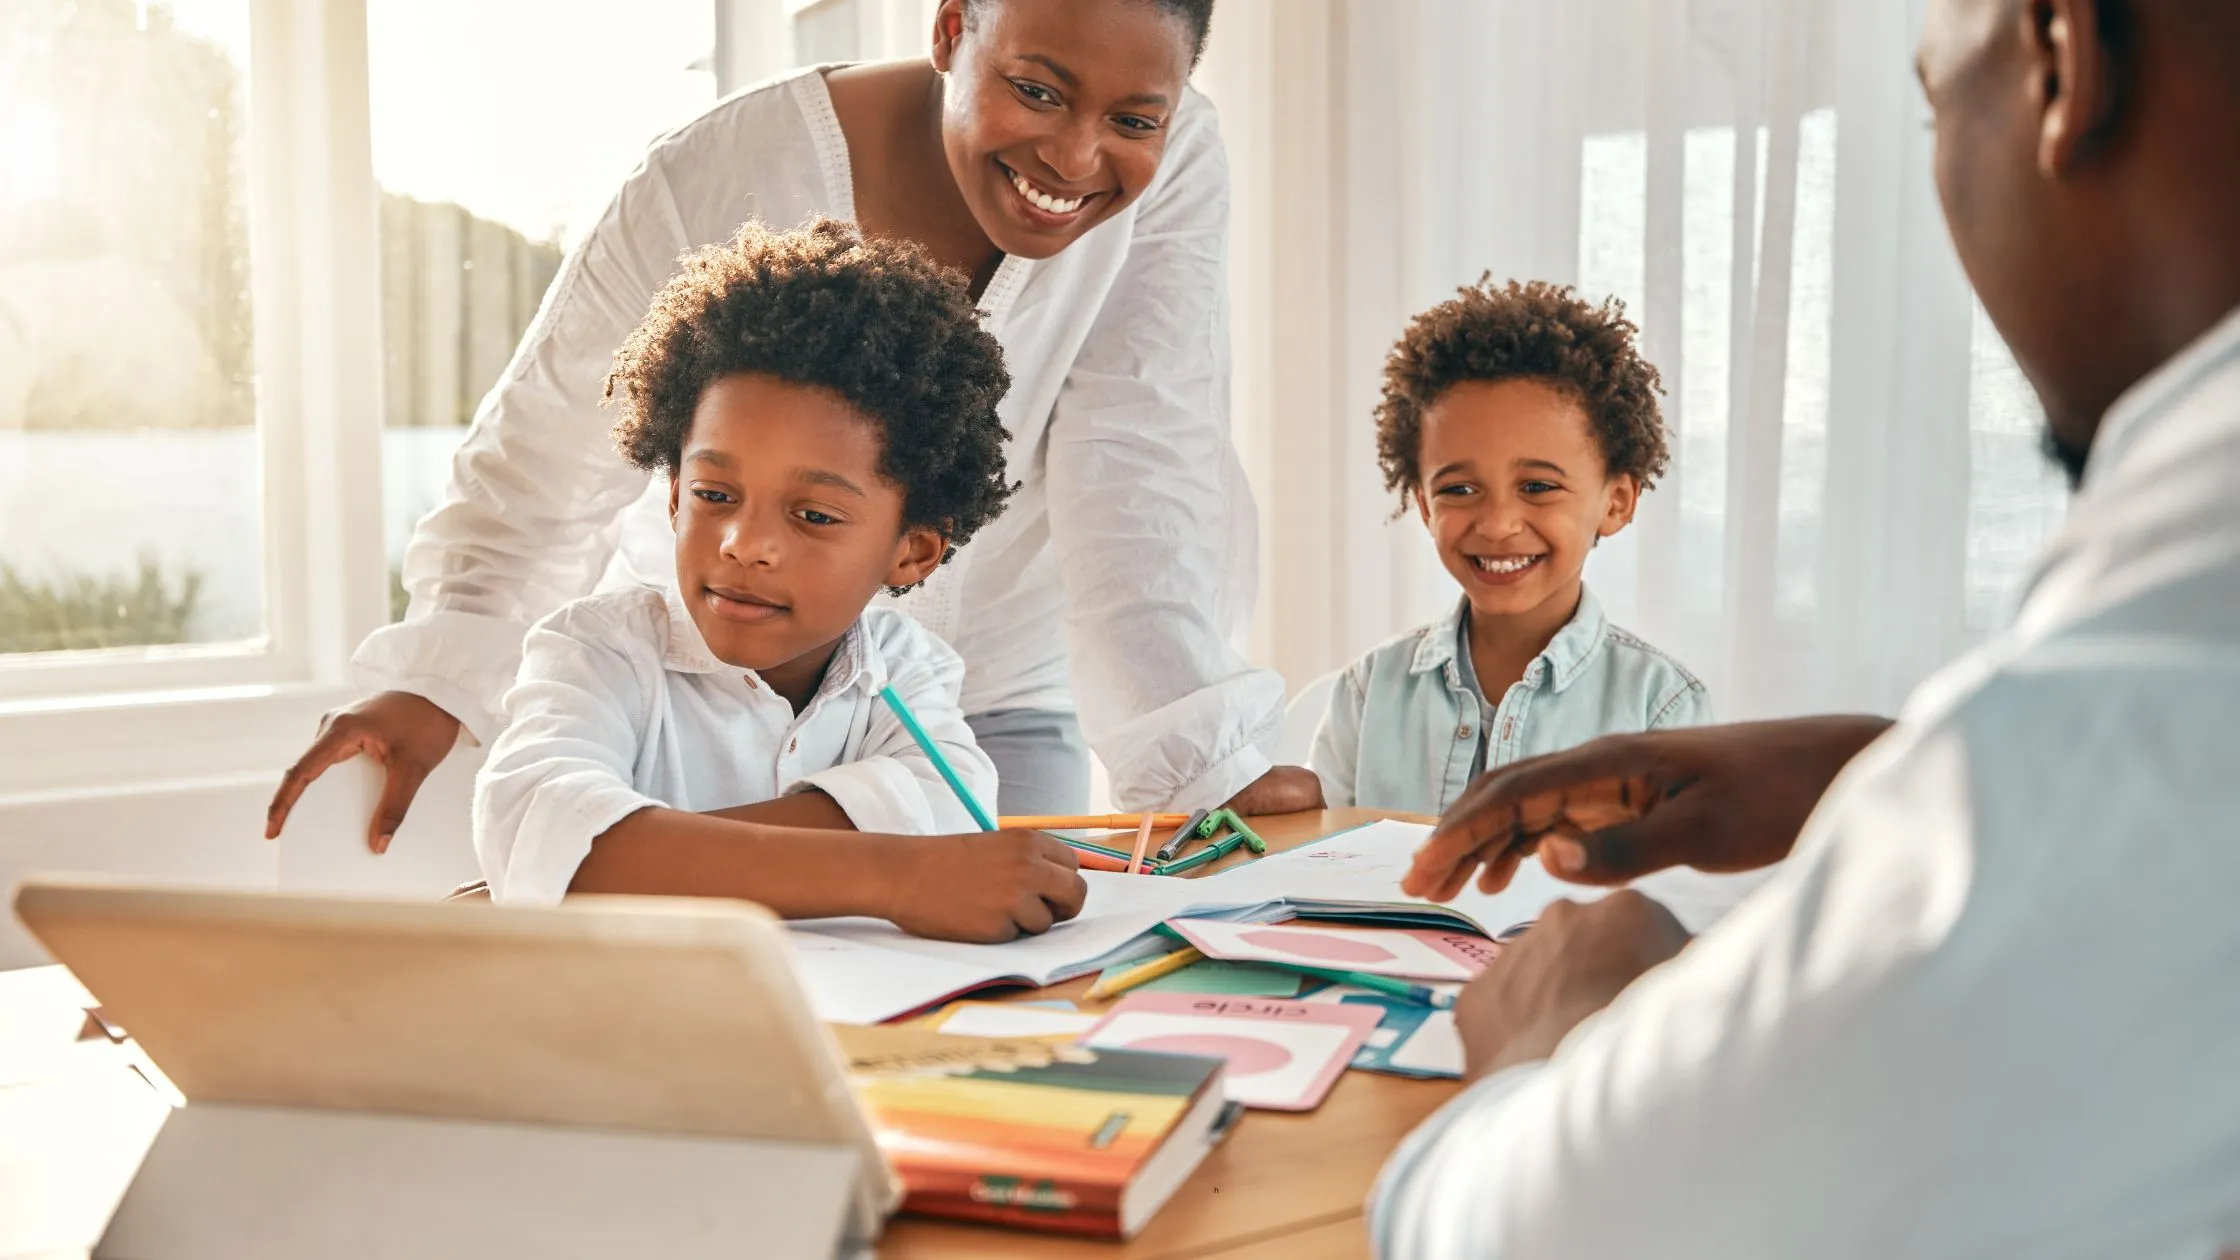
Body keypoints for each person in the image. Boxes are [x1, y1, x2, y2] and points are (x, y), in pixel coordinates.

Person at [1373, 0, 2240, 1254]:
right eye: (1455, 485)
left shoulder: (2143, 702)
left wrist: (1565, 1024)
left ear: (2060, 60)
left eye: (1936, 102)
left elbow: (1542, 1230)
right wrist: (1881, 765)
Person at [266, 0, 1322, 855]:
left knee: (998, 997)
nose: (1077, 154)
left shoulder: (1173, 162)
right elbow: (547, 449)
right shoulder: (718, 174)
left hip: (991, 689)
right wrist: (441, 668)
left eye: (1132, 120)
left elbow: (1142, 455)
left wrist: (1200, 756)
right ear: (951, 29)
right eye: (1035, 90)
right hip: (711, 675)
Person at [474, 220, 1086, 943]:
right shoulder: (596, 654)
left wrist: (627, 855)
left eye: (814, 515)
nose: (744, 545)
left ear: (913, 551)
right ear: (673, 497)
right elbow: (544, 832)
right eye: (714, 495)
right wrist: (894, 876)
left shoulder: (906, 674)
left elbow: (946, 815)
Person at [1307, 280, 1708, 814]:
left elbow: (1671, 864)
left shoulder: (1661, 706)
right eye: (1459, 490)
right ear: (1424, 506)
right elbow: (1318, 851)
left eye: (1537, 486)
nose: (1497, 525)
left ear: (1615, 503)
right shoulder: (1367, 691)